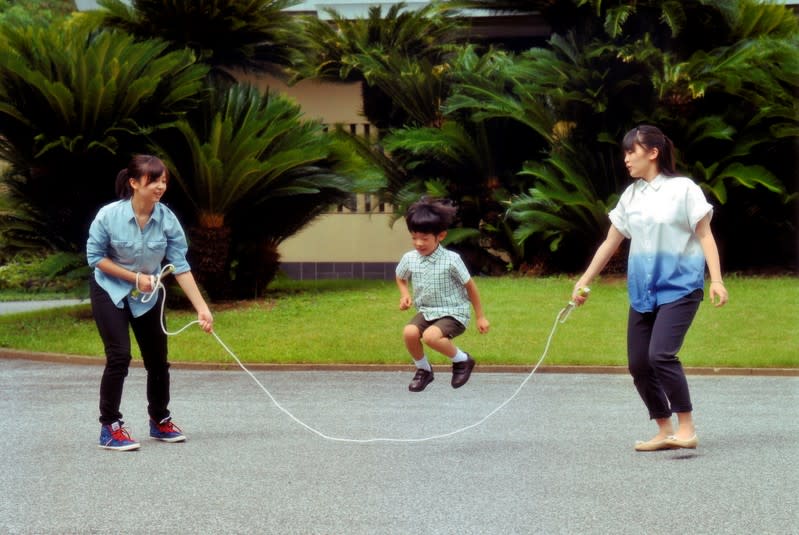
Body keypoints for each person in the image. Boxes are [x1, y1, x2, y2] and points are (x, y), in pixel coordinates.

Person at [572, 125, 728, 451]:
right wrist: (585, 280)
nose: (626, 158)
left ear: (653, 152)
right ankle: (663, 429)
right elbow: (611, 242)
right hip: (643, 292)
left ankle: (687, 427)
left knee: (661, 355)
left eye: (632, 151)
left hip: (680, 287)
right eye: (625, 152)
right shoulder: (631, 195)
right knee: (639, 364)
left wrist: (716, 279)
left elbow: (704, 235)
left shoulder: (683, 189)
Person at [86, 154, 213, 451]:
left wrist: (202, 308)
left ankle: (160, 420)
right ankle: (110, 426)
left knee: (158, 360)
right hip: (110, 289)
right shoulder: (108, 216)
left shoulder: (167, 220)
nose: (160, 186)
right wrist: (133, 278)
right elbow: (95, 258)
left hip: (147, 293)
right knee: (119, 356)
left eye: (164, 180)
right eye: (153, 180)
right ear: (134, 183)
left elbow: (180, 265)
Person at [395, 197, 490, 392]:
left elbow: (471, 287)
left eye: (425, 238)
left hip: (453, 312)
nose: (418, 243)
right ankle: (424, 370)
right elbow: (400, 277)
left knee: (431, 337)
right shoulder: (410, 258)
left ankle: (462, 361)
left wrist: (480, 316)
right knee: (409, 333)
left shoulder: (452, 260)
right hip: (427, 311)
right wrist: (404, 294)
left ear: (441, 236)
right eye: (414, 238)